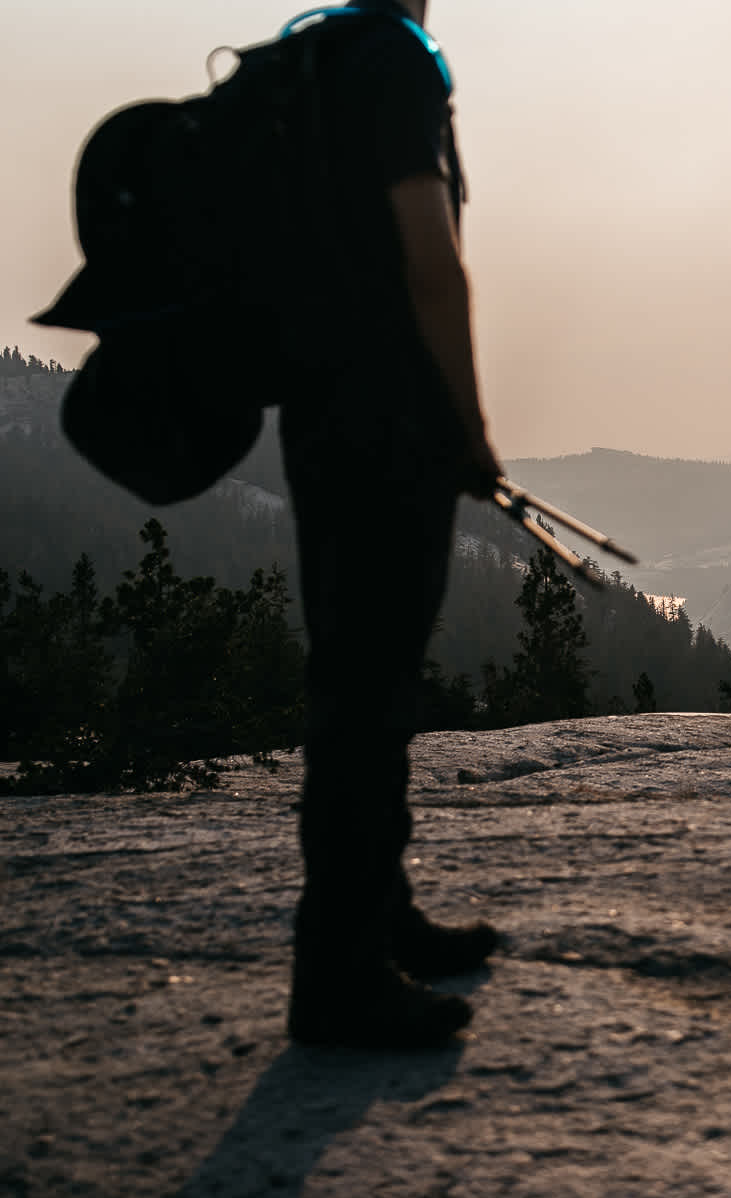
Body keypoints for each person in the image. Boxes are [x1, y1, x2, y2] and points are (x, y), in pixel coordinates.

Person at [280, 0, 508, 1049]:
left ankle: (381, 918)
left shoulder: (319, 55)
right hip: (392, 420)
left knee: (358, 681)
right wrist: (470, 425)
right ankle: (340, 976)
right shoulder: (397, 62)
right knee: (372, 698)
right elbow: (431, 260)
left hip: (322, 412)